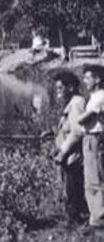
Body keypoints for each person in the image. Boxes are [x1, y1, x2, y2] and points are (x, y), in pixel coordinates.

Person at [52, 71, 88, 222]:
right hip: (70, 158)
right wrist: (53, 133)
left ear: (70, 87)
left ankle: (76, 225)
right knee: (72, 192)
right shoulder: (72, 103)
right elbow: (68, 128)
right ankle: (76, 222)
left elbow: (77, 132)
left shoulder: (77, 103)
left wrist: (62, 152)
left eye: (60, 88)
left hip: (74, 159)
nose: (57, 92)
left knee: (73, 193)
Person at [76, 64, 104, 227]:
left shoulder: (100, 96)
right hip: (91, 138)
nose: (85, 81)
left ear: (98, 79)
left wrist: (76, 116)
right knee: (91, 179)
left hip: (94, 139)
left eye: (88, 77)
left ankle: (99, 219)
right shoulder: (95, 96)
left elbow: (83, 119)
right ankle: (96, 216)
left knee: (95, 179)